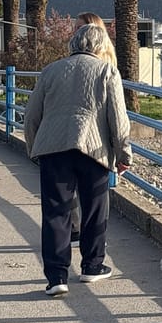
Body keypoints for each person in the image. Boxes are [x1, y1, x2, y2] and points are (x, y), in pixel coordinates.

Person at [24, 24, 132, 297]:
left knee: (55, 213)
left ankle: (57, 277)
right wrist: (123, 154)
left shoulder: (50, 70)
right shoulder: (107, 71)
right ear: (100, 46)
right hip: (93, 149)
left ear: (73, 44)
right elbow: (118, 119)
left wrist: (34, 148)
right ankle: (92, 266)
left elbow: (32, 115)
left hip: (53, 149)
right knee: (95, 209)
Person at [68, 12, 118, 247]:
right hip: (73, 135)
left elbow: (115, 110)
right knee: (78, 193)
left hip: (95, 137)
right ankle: (89, 250)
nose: (76, 33)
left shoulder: (107, 66)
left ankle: (87, 241)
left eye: (81, 28)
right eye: (75, 28)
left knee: (91, 196)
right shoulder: (71, 61)